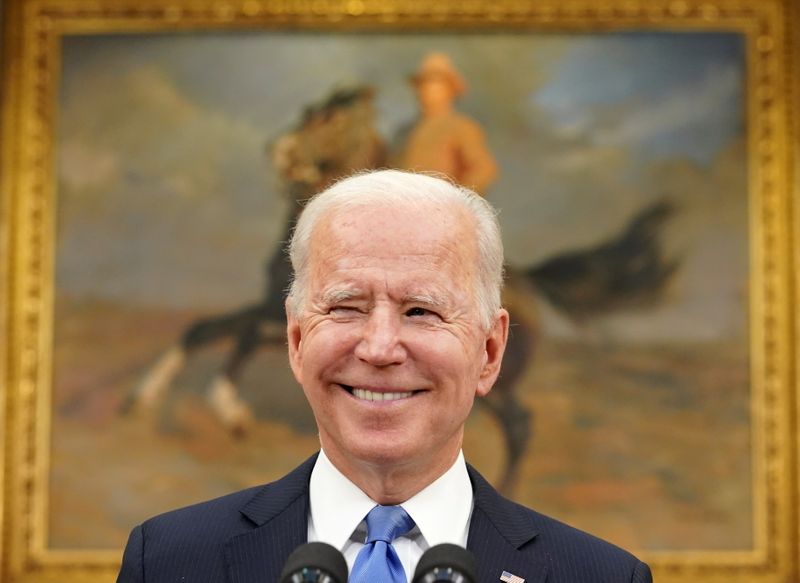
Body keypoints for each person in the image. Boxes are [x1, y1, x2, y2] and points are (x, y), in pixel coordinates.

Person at [117, 170, 652, 583]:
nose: (378, 348)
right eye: (346, 307)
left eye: (421, 311)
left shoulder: (602, 577)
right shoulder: (167, 561)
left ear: (489, 352)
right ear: (297, 341)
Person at [399, 53, 498, 195]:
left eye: (434, 84)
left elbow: (484, 170)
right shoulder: (405, 132)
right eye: (422, 84)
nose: (425, 90)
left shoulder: (461, 127)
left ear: (450, 89)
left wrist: (454, 200)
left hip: (440, 210)